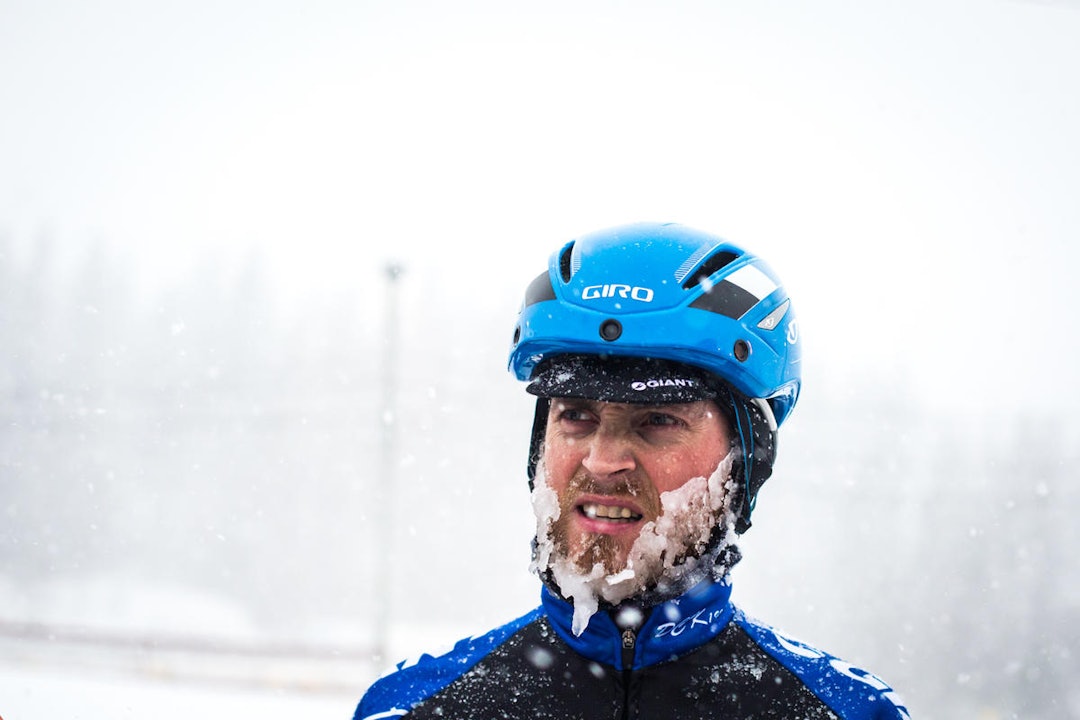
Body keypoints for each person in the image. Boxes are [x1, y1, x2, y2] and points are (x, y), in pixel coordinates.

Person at [354, 222, 909, 719]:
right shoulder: (413, 707)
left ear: (746, 461)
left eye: (658, 419)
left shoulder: (850, 713)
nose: (602, 461)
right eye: (576, 416)